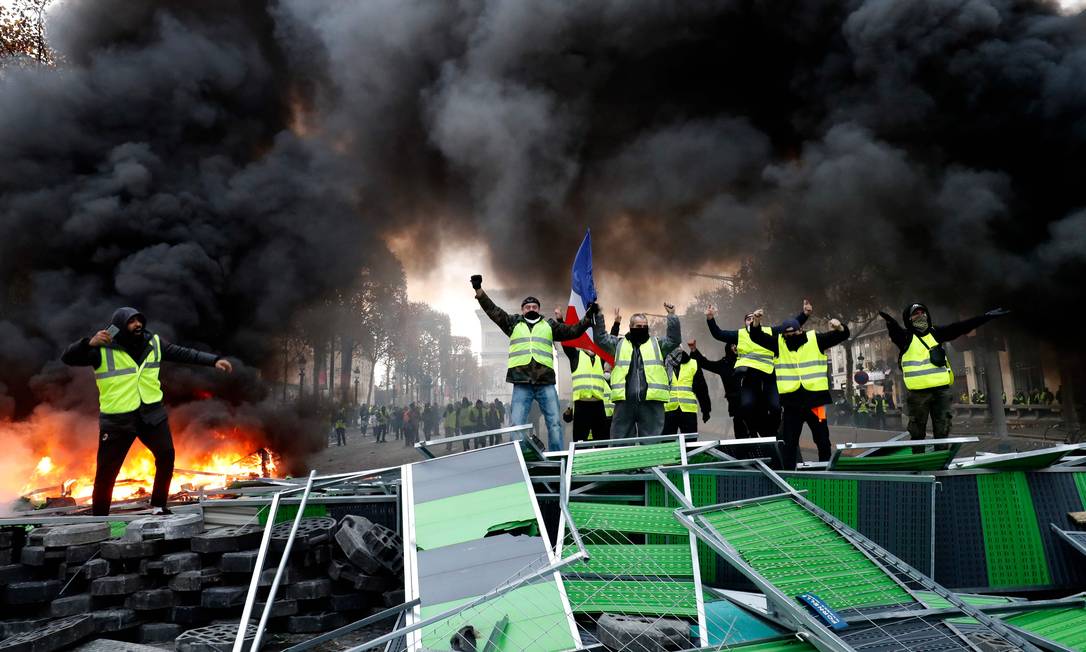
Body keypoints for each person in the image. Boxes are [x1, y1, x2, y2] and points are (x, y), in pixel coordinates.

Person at [61, 307, 234, 515]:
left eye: (139, 321)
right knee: (107, 472)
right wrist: (87, 343)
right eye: (132, 322)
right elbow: (68, 358)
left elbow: (183, 353)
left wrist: (213, 360)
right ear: (119, 326)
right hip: (118, 420)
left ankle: (159, 505)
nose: (138, 325)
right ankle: (99, 517)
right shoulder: (101, 347)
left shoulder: (153, 343)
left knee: (166, 455)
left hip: (151, 415)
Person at [472, 274, 596, 451]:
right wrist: (479, 291)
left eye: (534, 306)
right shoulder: (512, 323)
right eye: (528, 306)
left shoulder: (550, 325)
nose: (531, 308)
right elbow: (493, 311)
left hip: (545, 382)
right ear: (522, 310)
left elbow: (572, 331)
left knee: (554, 424)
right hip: (522, 382)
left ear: (539, 310)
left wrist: (587, 319)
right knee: (517, 425)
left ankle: (557, 459)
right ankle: (520, 458)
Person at [879, 303, 1009, 447]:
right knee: (917, 430)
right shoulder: (905, 337)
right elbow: (896, 333)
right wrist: (891, 324)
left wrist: (986, 317)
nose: (921, 316)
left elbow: (960, 327)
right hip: (918, 394)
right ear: (909, 319)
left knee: (943, 428)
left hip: (941, 392)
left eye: (923, 313)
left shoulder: (936, 333)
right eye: (916, 314)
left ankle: (941, 455)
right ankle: (918, 457)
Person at [746, 316, 849, 470]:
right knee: (789, 442)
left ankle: (826, 472)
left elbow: (841, 336)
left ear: (801, 330)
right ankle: (789, 474)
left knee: (822, 440)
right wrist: (756, 324)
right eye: (787, 335)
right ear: (783, 335)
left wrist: (840, 327)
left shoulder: (815, 339)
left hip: (816, 402)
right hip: (791, 404)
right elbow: (757, 337)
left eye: (794, 333)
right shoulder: (778, 344)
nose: (791, 337)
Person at [705, 301, 812, 439]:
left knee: (776, 408)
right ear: (745, 323)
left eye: (753, 317)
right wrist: (710, 318)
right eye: (748, 318)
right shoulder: (740, 334)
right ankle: (752, 431)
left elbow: (789, 327)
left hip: (769, 377)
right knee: (746, 406)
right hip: (750, 377)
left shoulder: (769, 331)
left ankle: (775, 433)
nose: (751, 319)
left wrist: (805, 314)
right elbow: (718, 334)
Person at [593, 305, 682, 438]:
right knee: (620, 443)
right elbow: (601, 339)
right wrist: (598, 315)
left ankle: (652, 459)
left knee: (651, 444)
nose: (641, 329)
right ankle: (623, 459)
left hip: (651, 402)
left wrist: (672, 316)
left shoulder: (657, 344)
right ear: (630, 327)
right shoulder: (619, 344)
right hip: (625, 403)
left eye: (644, 326)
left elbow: (674, 340)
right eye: (638, 326)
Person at [555, 307, 610, 442]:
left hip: (598, 405)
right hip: (581, 406)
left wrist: (607, 319)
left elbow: (607, 342)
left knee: (602, 441)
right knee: (580, 442)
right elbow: (566, 341)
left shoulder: (600, 358)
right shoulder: (575, 356)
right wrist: (560, 321)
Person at [690, 342, 750, 437]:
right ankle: (742, 447)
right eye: (732, 345)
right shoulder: (724, 364)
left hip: (750, 402)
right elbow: (706, 364)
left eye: (736, 345)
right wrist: (694, 350)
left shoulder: (746, 361)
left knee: (752, 427)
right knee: (740, 428)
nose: (735, 347)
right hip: (735, 403)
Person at [662, 340, 711, 435]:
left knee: (690, 444)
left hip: (687, 410)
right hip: (668, 410)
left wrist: (706, 409)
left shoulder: (693, 364)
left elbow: (701, 389)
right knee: (668, 445)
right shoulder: (664, 364)